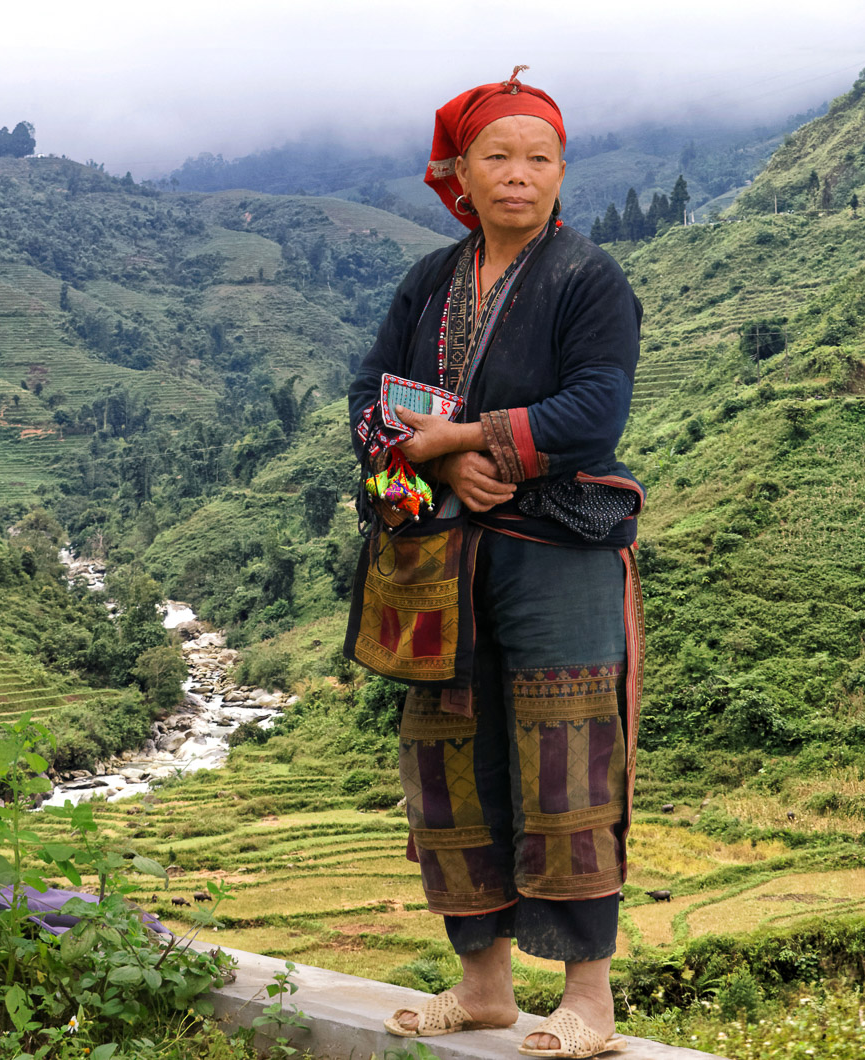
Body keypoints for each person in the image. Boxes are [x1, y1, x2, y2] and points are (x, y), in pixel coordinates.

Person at [347, 67, 645, 1059]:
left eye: (540, 159)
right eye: (499, 157)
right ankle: (482, 988)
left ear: (562, 174)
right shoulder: (429, 281)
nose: (519, 176)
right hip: (444, 564)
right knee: (448, 761)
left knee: (566, 761)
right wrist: (430, 463)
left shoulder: (587, 279)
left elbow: (595, 410)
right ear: (460, 173)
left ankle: (589, 1003)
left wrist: (464, 443)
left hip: (557, 552)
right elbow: (372, 400)